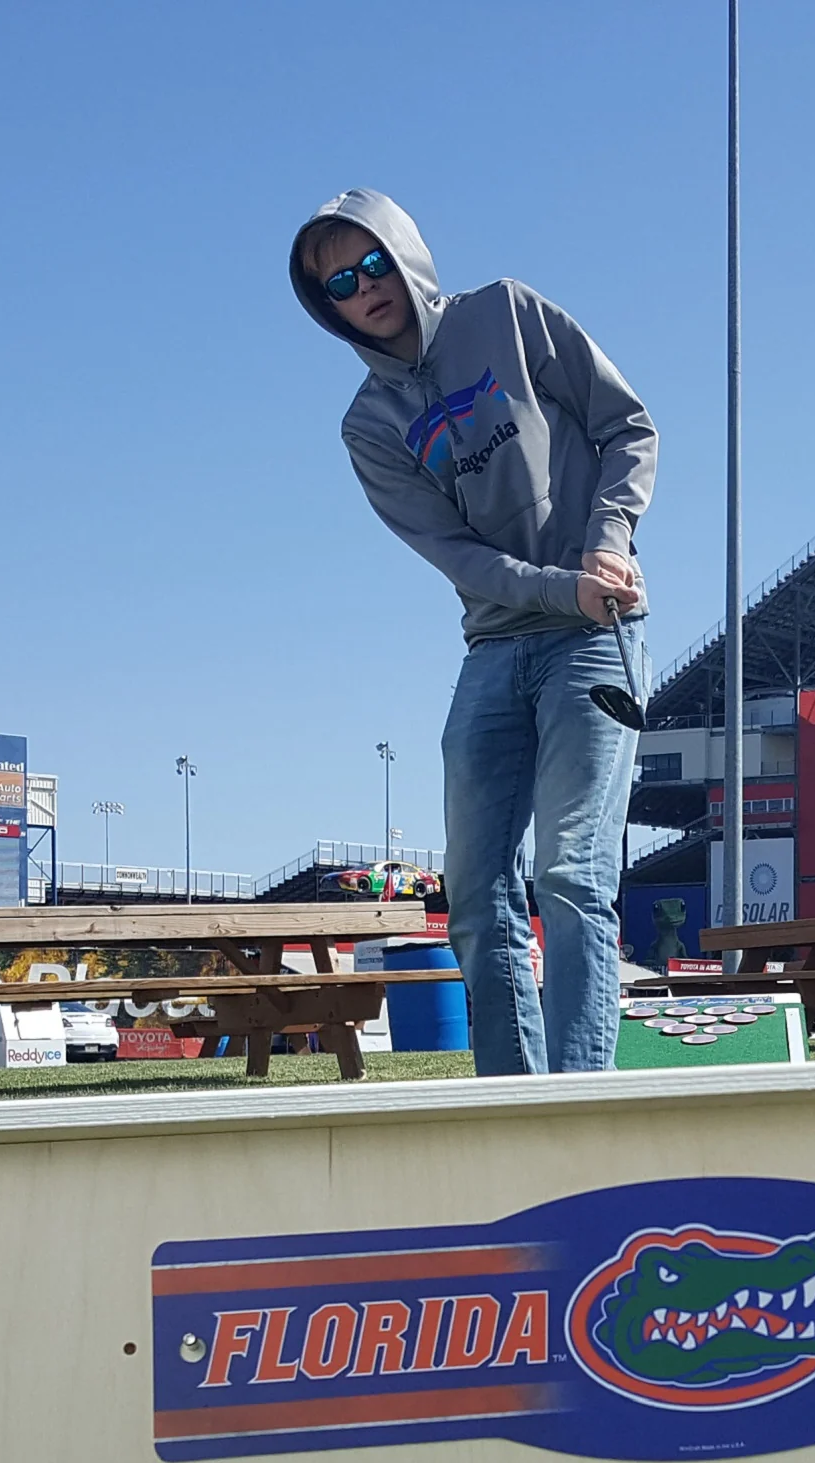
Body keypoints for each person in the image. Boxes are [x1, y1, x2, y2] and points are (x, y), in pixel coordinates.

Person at [291, 190, 658, 1075]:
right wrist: (557, 588)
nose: (364, 287)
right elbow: (454, 553)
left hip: (593, 640)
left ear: (407, 254)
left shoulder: (508, 314)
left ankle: (580, 1100)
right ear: (326, 306)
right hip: (495, 647)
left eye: (374, 262)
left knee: (571, 872)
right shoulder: (369, 424)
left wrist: (606, 546)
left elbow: (627, 426)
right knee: (475, 894)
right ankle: (511, 1100)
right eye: (339, 281)